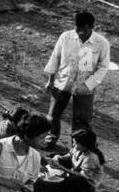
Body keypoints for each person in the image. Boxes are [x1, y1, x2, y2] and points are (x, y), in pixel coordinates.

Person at [43, 10, 111, 145]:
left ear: (91, 27)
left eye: (84, 29)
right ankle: (52, 135)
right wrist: (50, 80)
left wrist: (89, 84)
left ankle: (77, 145)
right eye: (77, 28)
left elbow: (104, 66)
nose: (80, 32)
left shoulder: (101, 43)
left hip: (85, 88)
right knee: (52, 115)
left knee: (81, 121)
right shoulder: (65, 37)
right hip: (62, 82)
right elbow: (55, 57)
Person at [32, 126, 105, 192]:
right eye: (73, 142)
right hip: (76, 171)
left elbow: (82, 177)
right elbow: (69, 156)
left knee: (72, 182)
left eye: (75, 143)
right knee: (55, 156)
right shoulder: (77, 148)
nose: (73, 145)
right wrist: (58, 158)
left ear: (84, 145)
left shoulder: (90, 158)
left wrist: (61, 168)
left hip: (87, 182)